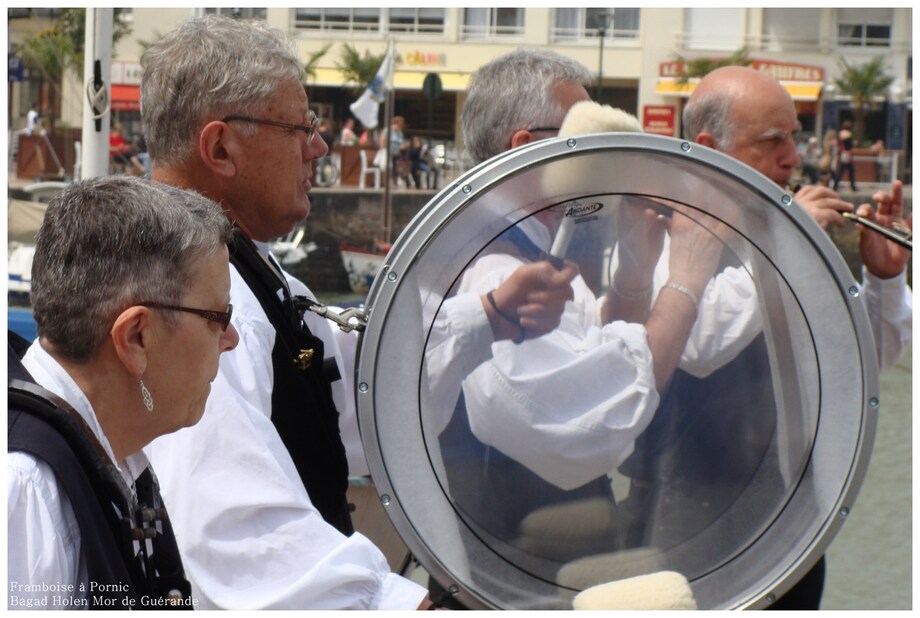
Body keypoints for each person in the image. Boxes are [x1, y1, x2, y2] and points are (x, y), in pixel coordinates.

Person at [139, 15, 577, 609]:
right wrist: (397, 604)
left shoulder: (238, 269)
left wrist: (493, 314)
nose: (320, 146)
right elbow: (234, 535)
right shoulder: (200, 296)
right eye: (299, 127)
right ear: (220, 147)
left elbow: (351, 397)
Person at [680, 64, 912, 610]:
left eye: (795, 136)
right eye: (772, 140)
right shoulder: (659, 227)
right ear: (712, 148)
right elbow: (696, 348)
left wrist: (884, 277)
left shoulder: (788, 235)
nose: (793, 157)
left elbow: (861, 366)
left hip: (797, 531)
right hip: (690, 532)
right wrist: (785, 242)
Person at [8, 176, 238, 609]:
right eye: (218, 317)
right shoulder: (25, 491)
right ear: (136, 337)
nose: (232, 338)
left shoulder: (105, 453)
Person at [834, 119, 857, 191]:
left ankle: (836, 185)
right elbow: (850, 145)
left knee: (842, 170)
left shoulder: (840, 134)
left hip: (842, 154)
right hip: (848, 154)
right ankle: (853, 186)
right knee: (849, 171)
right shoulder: (849, 135)